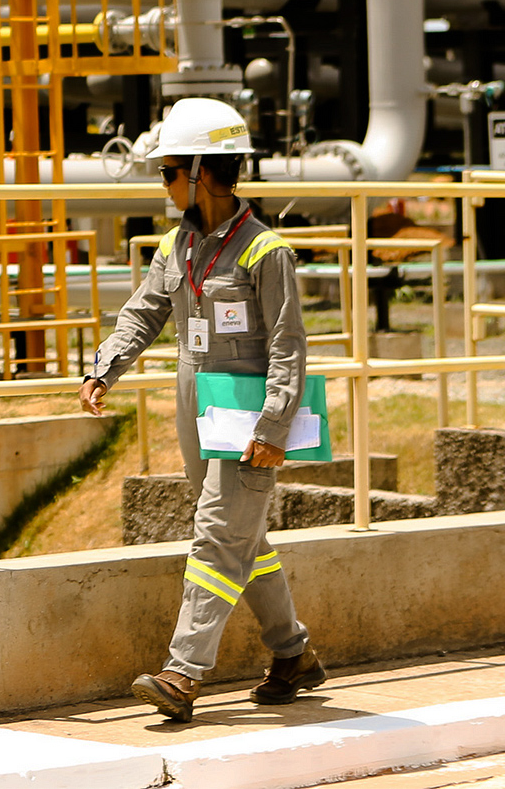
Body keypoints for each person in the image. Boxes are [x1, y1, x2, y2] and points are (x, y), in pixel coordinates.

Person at [80, 96, 321, 722]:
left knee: (218, 534)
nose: (163, 184)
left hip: (247, 407)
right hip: (197, 399)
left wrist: (275, 426)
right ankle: (292, 653)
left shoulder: (265, 251)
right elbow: (144, 312)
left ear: (203, 171)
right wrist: (103, 367)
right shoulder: (176, 247)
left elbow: (288, 347)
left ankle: (183, 672)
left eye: (168, 171)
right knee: (243, 534)